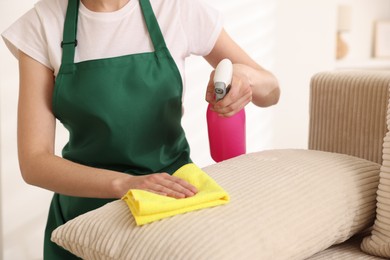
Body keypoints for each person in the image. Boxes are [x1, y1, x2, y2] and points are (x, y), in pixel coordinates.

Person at [2, 0, 280, 258]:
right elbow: (34, 162)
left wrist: (244, 77)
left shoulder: (174, 9)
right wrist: (125, 184)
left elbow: (271, 90)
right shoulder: (43, 23)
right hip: (83, 217)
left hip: (172, 202)